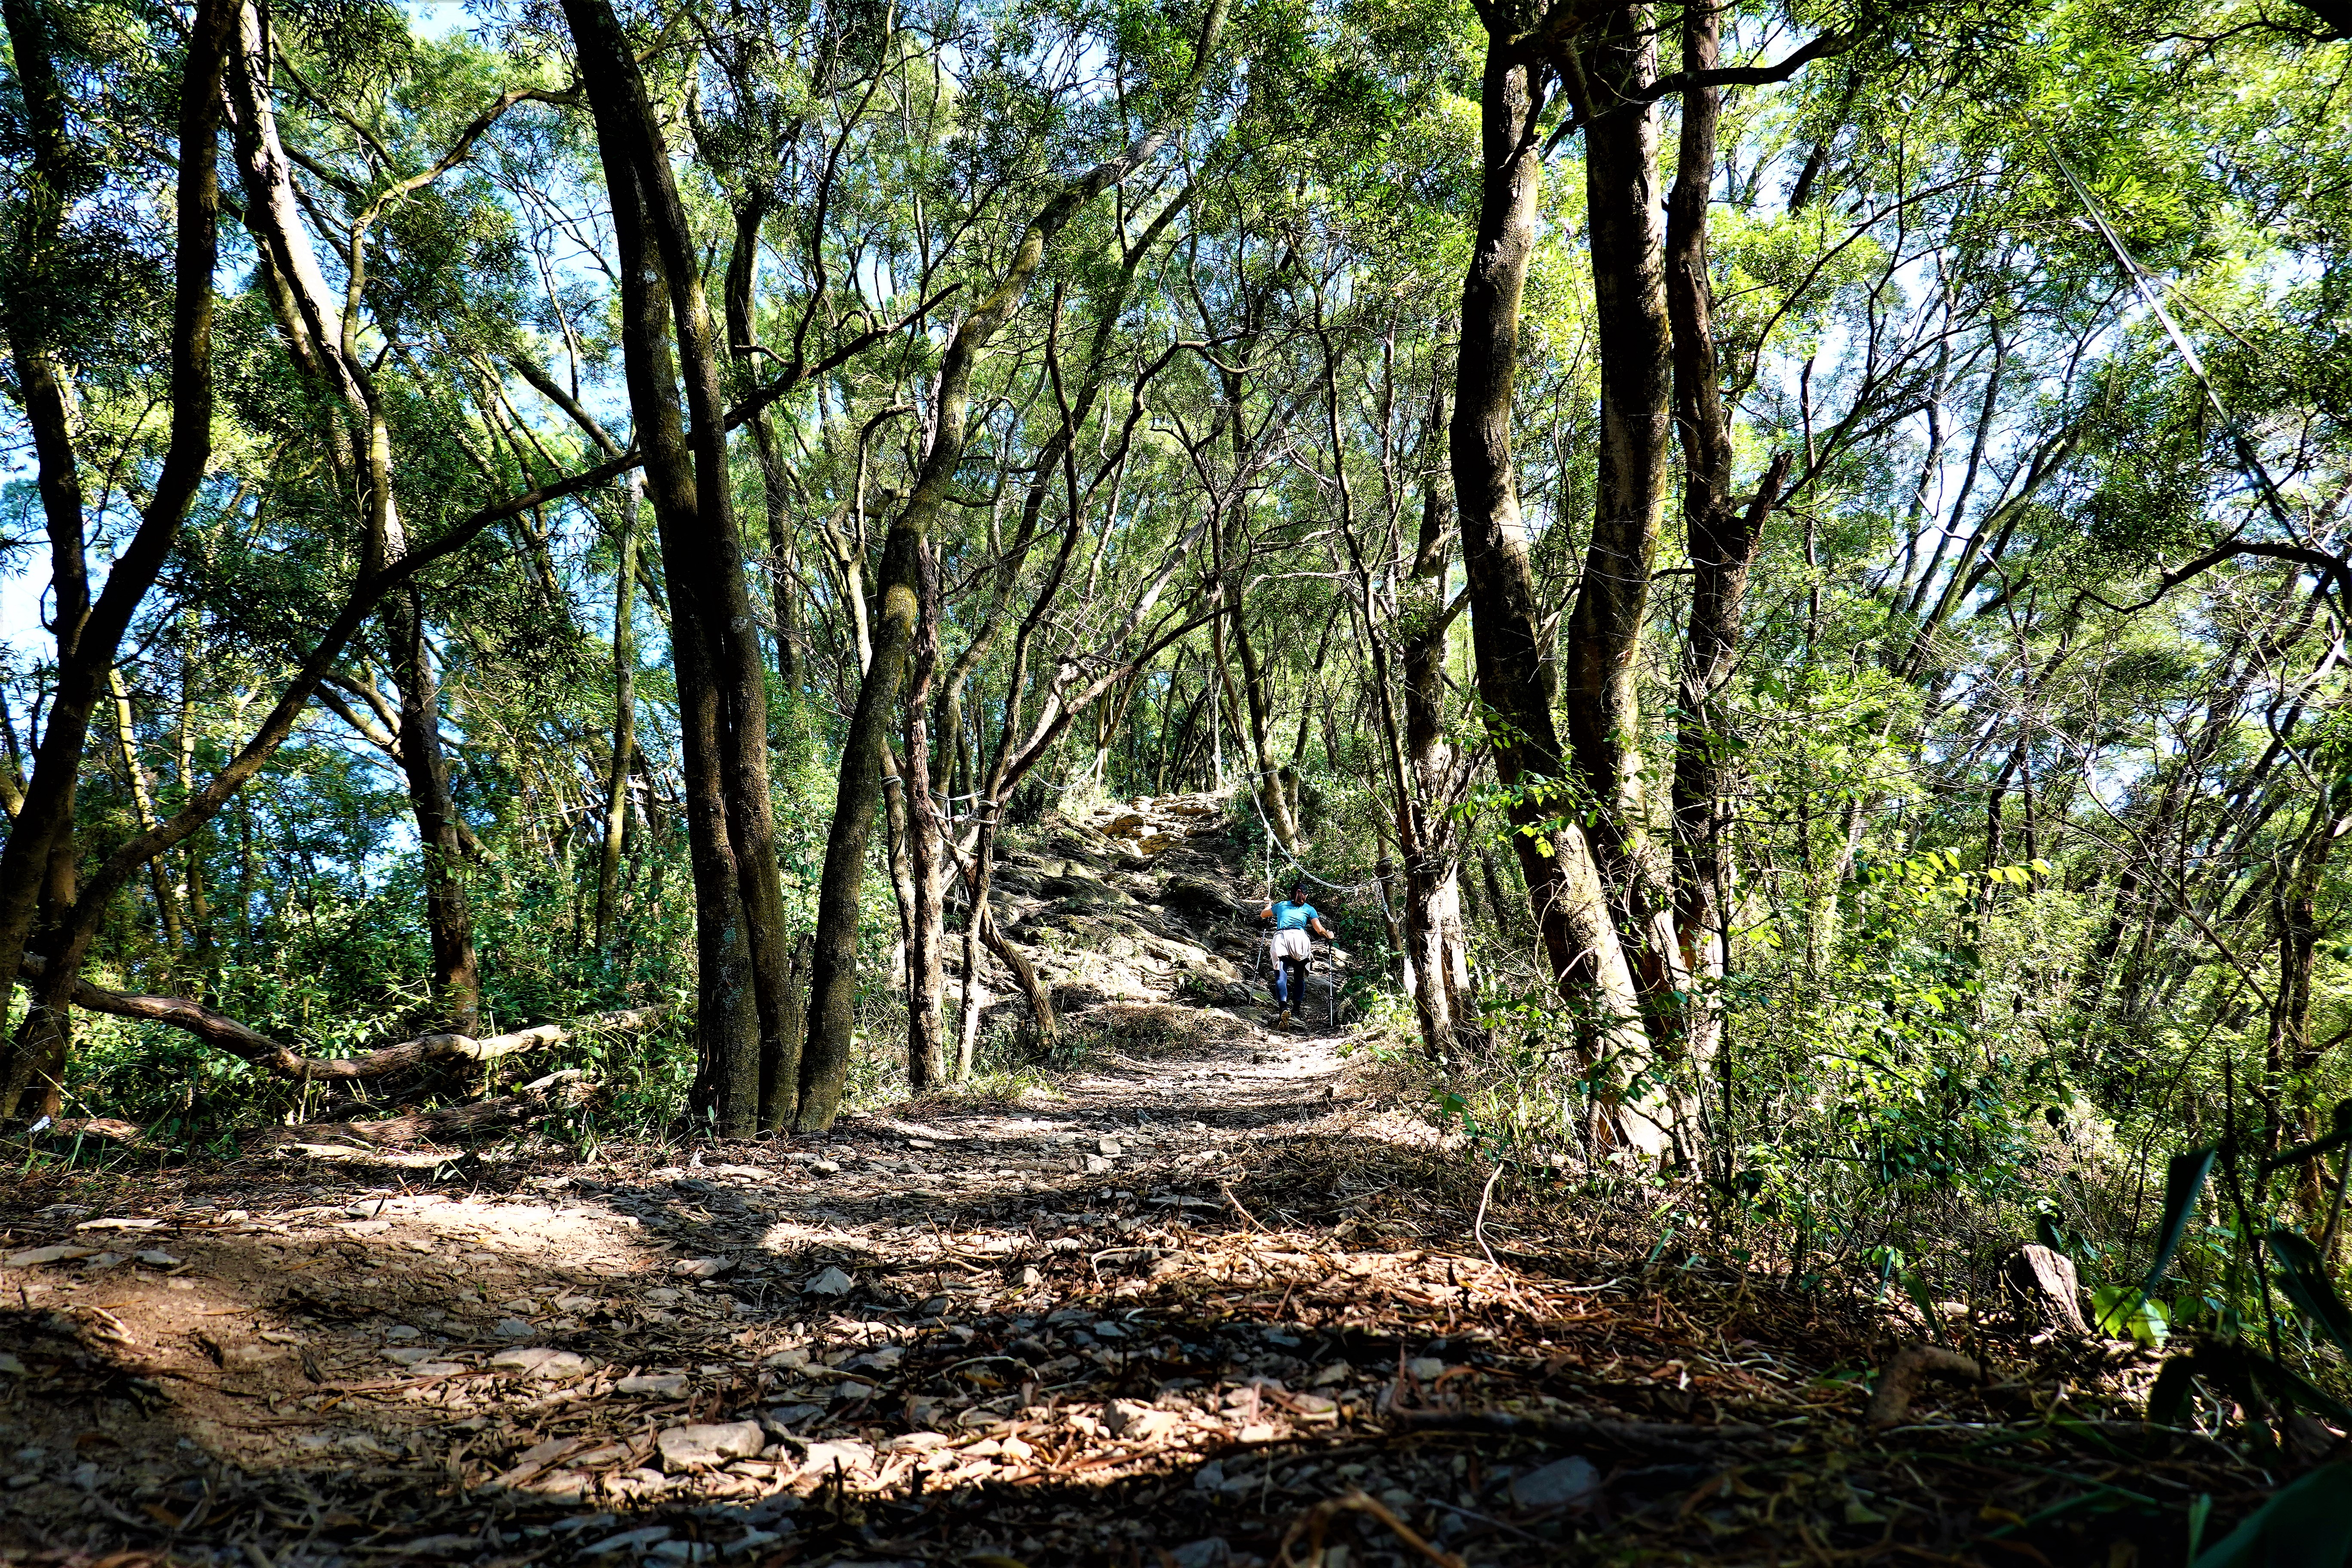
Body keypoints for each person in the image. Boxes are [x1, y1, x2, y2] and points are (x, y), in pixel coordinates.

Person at [1259, 879, 1332, 1029]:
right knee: (1299, 978)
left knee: (1281, 976)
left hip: (1281, 939)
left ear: (1290, 894)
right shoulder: (1309, 909)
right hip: (1300, 940)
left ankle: (1283, 1008)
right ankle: (1297, 1010)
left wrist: (1269, 906)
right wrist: (1328, 935)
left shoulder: (1281, 906)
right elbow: (1319, 930)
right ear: (1306, 896)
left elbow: (1263, 915)